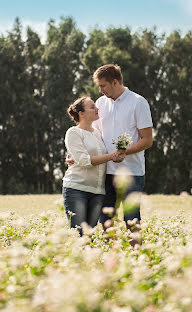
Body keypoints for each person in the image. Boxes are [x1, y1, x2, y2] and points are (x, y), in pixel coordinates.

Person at [66, 64, 153, 246]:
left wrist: (124, 152)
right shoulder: (100, 104)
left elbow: (147, 140)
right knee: (106, 219)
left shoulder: (138, 102)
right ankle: (109, 257)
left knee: (132, 218)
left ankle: (137, 258)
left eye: (103, 86)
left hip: (132, 172)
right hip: (105, 171)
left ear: (115, 82)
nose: (100, 90)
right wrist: (74, 154)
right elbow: (91, 134)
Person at [62, 96, 124, 235]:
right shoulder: (73, 132)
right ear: (81, 114)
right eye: (92, 107)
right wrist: (112, 156)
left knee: (88, 237)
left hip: (97, 192)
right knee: (79, 235)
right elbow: (84, 160)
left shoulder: (97, 133)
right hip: (76, 190)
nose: (97, 109)